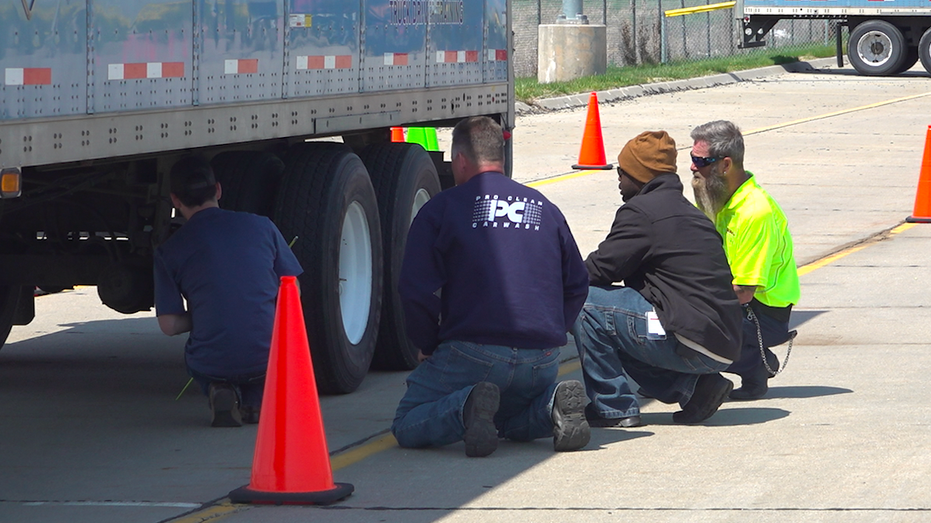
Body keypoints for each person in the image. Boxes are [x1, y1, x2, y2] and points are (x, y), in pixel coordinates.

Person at [391, 116, 591, 457]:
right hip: (541, 358)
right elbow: (577, 283)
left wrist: (426, 342)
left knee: (407, 421)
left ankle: (465, 407)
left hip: (473, 351)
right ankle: (551, 405)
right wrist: (549, 331)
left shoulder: (442, 208)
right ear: (500, 156)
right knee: (505, 420)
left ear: (460, 160)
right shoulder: (545, 207)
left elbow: (415, 288)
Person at [572, 130, 743, 427]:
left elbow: (600, 269)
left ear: (639, 175)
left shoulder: (641, 212)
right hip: (721, 343)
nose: (619, 181)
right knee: (617, 320)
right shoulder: (687, 211)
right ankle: (697, 389)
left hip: (691, 340)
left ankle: (613, 406)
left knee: (582, 302)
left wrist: (552, 281)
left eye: (622, 173)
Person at [154, 155, 303, 427]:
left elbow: (169, 325)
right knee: (262, 361)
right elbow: (293, 291)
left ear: (175, 200)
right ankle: (256, 401)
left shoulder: (170, 250)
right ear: (219, 190)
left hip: (212, 361)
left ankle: (219, 388)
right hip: (268, 356)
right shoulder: (262, 226)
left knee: (205, 357)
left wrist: (201, 314)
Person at [690, 120, 800, 400]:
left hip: (762, 311)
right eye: (691, 158)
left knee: (685, 322)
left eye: (700, 161)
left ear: (725, 165)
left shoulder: (754, 212)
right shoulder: (717, 197)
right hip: (738, 300)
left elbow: (743, 292)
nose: (692, 167)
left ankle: (753, 364)